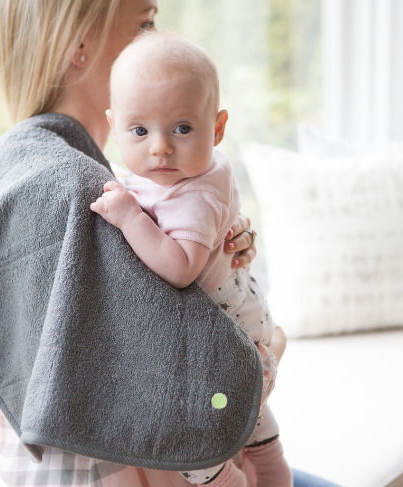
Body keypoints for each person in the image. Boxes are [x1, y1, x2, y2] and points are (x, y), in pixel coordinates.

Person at [0, 0, 342, 485]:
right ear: (78, 42)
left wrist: (220, 234)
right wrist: (267, 353)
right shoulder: (76, 189)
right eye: (145, 24)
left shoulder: (99, 169)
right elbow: (155, 395)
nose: (158, 43)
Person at [90, 30, 291, 487]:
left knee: (198, 444)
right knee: (259, 434)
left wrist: (127, 218)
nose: (160, 147)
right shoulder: (185, 169)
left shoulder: (196, 191)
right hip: (237, 318)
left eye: (182, 128)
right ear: (114, 124)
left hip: (227, 340)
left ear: (217, 128)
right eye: (139, 131)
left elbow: (180, 269)